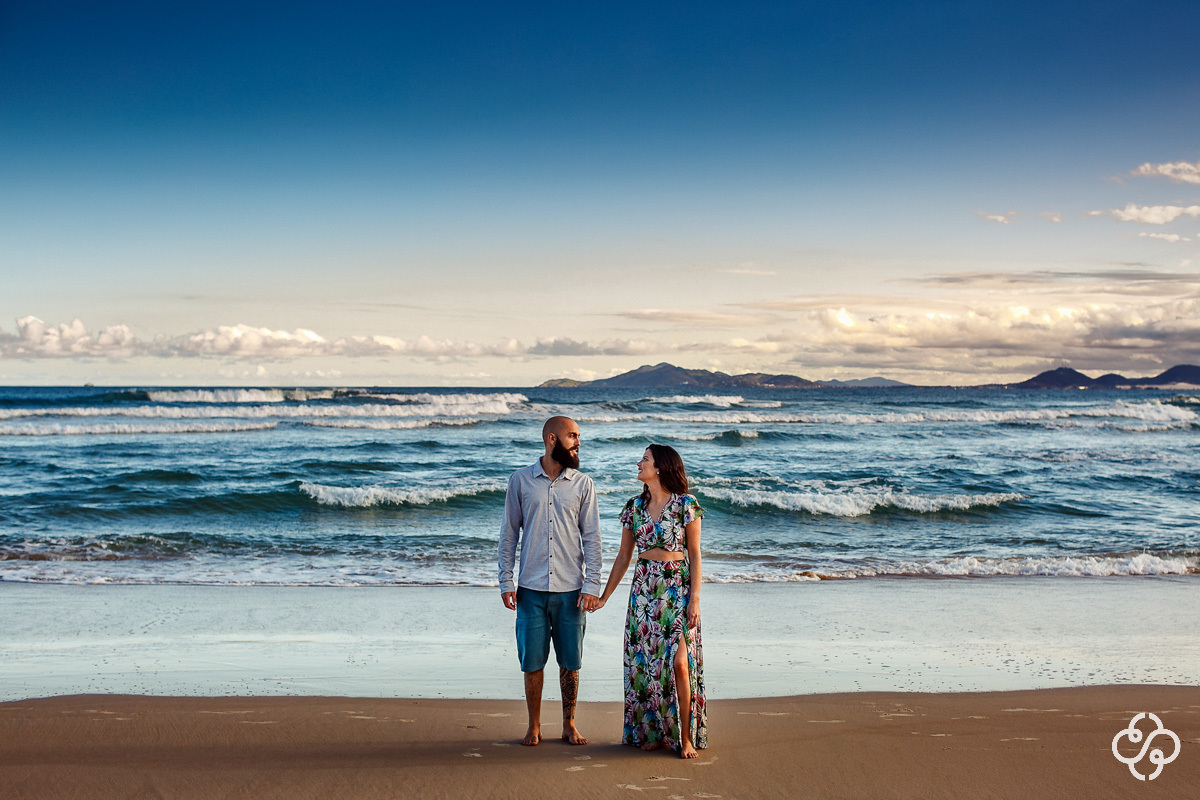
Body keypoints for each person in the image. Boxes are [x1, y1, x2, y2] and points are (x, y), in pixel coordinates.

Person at [595, 443, 707, 759]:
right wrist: (604, 596)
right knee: (647, 665)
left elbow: (695, 554)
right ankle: (655, 733)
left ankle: (685, 737)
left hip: (677, 590)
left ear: (659, 467)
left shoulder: (686, 504)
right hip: (644, 590)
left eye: (645, 459)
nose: (639, 463)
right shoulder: (634, 507)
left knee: (679, 664)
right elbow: (623, 557)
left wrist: (695, 599)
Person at [498, 416, 603, 746]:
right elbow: (509, 534)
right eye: (572, 436)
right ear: (552, 439)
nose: (578, 442)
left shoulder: (583, 484)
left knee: (571, 662)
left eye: (578, 436)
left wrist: (592, 585)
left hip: (572, 590)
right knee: (532, 661)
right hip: (530, 590)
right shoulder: (520, 481)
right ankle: (534, 725)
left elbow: (592, 538)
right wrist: (506, 581)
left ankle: (569, 724)